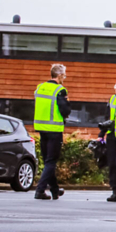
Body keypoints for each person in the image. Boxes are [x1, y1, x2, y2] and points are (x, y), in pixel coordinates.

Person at [33, 64, 70, 200]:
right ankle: (40, 190)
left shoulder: (40, 87)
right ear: (59, 76)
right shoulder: (60, 90)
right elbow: (65, 110)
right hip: (54, 129)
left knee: (48, 161)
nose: (64, 78)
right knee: (51, 161)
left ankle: (55, 190)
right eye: (64, 75)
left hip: (41, 128)